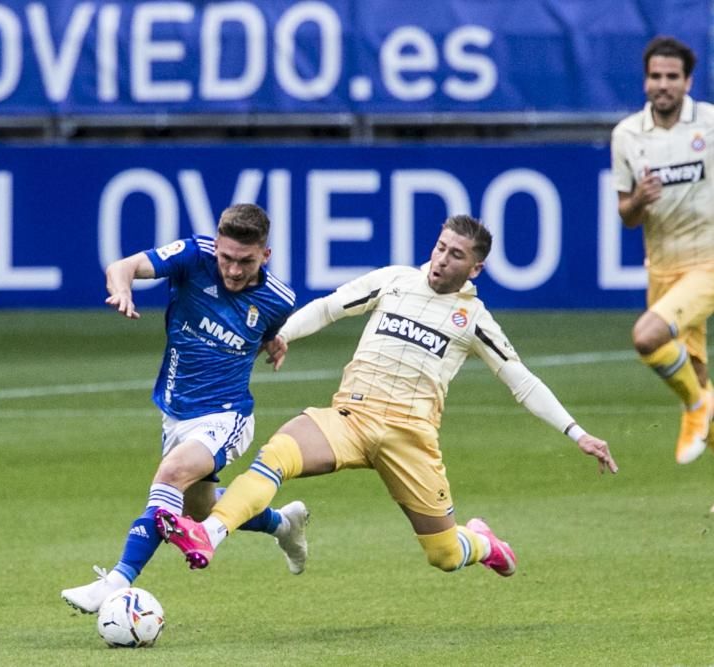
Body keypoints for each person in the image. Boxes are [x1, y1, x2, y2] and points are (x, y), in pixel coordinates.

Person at [156, 215, 618, 578]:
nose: (441, 260)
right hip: (351, 417)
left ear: (475, 268)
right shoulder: (396, 280)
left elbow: (521, 380)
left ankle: (482, 542)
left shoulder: (472, 318)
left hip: (410, 438)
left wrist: (577, 433)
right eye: (440, 248)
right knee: (277, 453)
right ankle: (209, 535)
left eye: (456, 255)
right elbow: (329, 307)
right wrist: (281, 336)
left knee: (443, 554)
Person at [61, 203, 309, 613]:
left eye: (245, 261)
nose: (232, 269)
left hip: (226, 414)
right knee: (201, 507)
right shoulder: (193, 256)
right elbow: (123, 266)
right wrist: (121, 287)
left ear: (265, 255)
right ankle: (283, 523)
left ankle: (116, 581)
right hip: (175, 411)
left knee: (171, 476)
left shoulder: (279, 299)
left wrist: (272, 340)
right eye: (226, 258)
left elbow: (264, 326)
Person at [611, 35, 714, 465]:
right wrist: (638, 200)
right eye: (655, 76)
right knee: (698, 375)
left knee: (647, 337)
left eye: (672, 76)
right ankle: (701, 403)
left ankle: (694, 407)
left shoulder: (709, 124)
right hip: (663, 270)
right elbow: (626, 216)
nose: (663, 84)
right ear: (645, 82)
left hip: (707, 263)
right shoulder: (627, 135)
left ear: (688, 82)